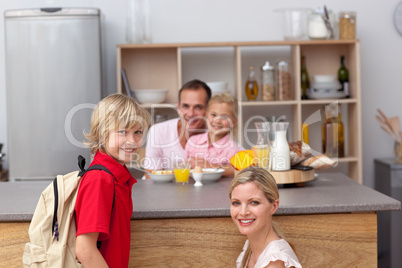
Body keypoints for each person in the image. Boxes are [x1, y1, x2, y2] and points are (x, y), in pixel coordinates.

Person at [75, 93, 150, 267]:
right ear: (102, 134)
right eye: (123, 132)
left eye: (137, 132)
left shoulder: (116, 176)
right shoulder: (100, 179)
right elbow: (85, 249)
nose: (132, 141)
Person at [229, 166, 302, 268]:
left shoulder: (274, 263)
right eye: (236, 203)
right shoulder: (251, 247)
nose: (243, 212)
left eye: (254, 202)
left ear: (274, 206)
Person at [144, 79, 211, 170]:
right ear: (179, 107)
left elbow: (236, 168)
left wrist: (210, 166)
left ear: (208, 108)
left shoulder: (216, 132)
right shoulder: (158, 131)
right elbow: (151, 176)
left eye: (198, 107)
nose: (191, 114)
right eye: (186, 106)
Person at [185, 93, 243, 177]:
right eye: (213, 115)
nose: (217, 120)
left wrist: (209, 166)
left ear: (233, 122)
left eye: (224, 117)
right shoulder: (193, 141)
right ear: (206, 115)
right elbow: (185, 168)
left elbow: (238, 171)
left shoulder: (233, 150)